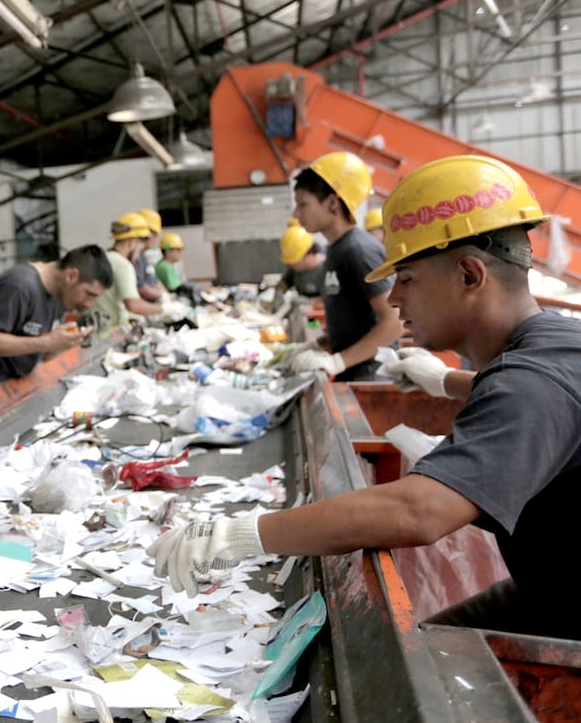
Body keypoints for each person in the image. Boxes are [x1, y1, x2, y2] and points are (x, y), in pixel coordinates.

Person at [149, 154, 581, 639]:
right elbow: (524, 393)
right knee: (435, 646)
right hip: (550, 587)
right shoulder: (556, 345)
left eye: (408, 279)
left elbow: (419, 511)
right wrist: (442, 381)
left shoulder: (532, 382)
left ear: (469, 276)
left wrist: (243, 534)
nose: (395, 300)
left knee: (431, 678)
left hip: (567, 610)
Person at [286, 152, 402, 380]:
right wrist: (319, 345)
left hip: (371, 377)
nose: (296, 214)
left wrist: (338, 361)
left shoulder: (358, 250)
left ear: (332, 203)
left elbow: (394, 321)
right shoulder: (336, 250)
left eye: (303, 204)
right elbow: (355, 319)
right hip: (354, 372)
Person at [0, 245, 113, 386]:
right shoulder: (20, 285)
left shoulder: (59, 294)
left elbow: (46, 354)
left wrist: (74, 339)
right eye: (89, 294)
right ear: (71, 276)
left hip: (19, 387)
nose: (88, 304)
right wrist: (47, 341)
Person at [94, 213, 165, 329]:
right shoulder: (123, 265)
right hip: (111, 330)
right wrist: (165, 309)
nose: (140, 251)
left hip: (99, 327)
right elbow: (134, 305)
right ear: (132, 241)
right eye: (141, 246)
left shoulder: (105, 258)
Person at [274, 218, 325, 298]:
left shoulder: (329, 269)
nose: (291, 265)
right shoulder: (295, 270)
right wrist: (278, 294)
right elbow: (284, 283)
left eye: (294, 262)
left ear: (309, 255)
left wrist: (312, 304)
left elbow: (335, 299)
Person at [134, 208, 165, 302]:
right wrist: (162, 296)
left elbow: (155, 281)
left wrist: (168, 296)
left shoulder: (143, 255)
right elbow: (141, 288)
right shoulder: (135, 256)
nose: (155, 238)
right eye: (155, 234)